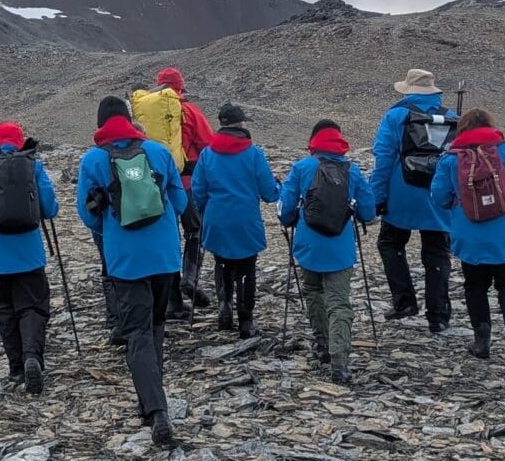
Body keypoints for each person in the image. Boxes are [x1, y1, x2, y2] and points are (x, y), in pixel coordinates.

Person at [77, 95, 187, 446]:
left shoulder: (93, 160)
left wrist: (109, 226)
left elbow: (87, 215)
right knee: (155, 326)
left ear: (99, 126)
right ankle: (151, 400)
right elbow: (181, 202)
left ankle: (156, 411)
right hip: (165, 256)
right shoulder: (158, 152)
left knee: (137, 332)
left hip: (125, 261)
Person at [277, 119, 377, 386]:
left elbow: (285, 210)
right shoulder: (352, 171)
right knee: (339, 302)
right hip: (340, 247)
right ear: (339, 141)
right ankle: (339, 361)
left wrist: (289, 220)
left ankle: (321, 345)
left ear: (313, 141)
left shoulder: (301, 168)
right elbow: (368, 212)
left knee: (313, 292)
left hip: (308, 245)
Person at [441, 108, 505, 362]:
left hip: (470, 235)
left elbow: (439, 197)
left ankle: (482, 339)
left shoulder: (451, 158)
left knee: (475, 285)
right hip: (504, 233)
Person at [369, 67, 460, 334]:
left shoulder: (396, 116)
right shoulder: (452, 118)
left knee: (390, 243)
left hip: (402, 193)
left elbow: (383, 159)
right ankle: (439, 315)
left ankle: (404, 301)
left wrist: (377, 197)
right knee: (437, 253)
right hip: (439, 196)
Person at [0, 121, 59, 395]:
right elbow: (49, 207)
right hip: (29, 253)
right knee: (33, 306)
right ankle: (32, 357)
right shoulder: (32, 166)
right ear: (20, 140)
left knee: (4, 309)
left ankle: (16, 368)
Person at [186, 102, 280, 338]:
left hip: (217, 219)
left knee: (223, 263)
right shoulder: (253, 153)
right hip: (245, 220)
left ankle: (224, 306)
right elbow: (269, 192)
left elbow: (198, 190)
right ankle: (246, 321)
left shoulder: (207, 154)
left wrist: (207, 208)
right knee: (247, 268)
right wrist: (278, 185)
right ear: (241, 124)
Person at [131, 66, 211, 311]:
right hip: (186, 183)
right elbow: (208, 143)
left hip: (155, 185)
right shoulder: (187, 110)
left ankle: (173, 302)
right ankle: (190, 277)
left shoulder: (144, 111)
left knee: (169, 239)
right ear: (180, 87)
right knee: (194, 230)